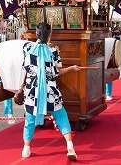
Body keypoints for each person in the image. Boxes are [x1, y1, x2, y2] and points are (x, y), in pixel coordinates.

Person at [20, 22, 80, 160]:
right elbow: (57, 72)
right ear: (50, 35)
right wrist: (71, 68)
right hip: (50, 89)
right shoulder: (54, 52)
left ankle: (26, 149)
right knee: (61, 116)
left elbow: (31, 47)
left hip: (32, 90)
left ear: (36, 34)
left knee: (29, 119)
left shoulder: (27, 47)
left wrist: (45, 44)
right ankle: (70, 147)